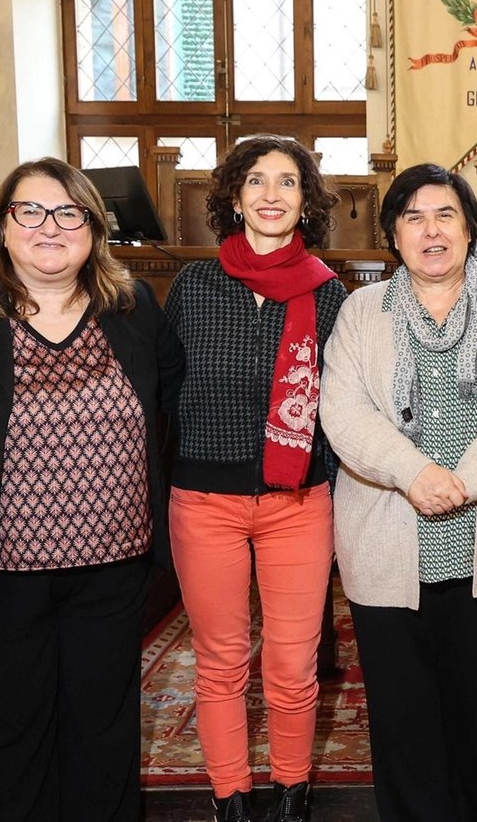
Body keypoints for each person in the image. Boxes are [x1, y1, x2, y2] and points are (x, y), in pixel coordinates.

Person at [0, 158, 181, 821]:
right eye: (30, 210)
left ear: (92, 228)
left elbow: (173, 401)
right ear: (3, 226)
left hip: (113, 573)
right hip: (3, 579)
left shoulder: (133, 308)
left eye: (68, 212)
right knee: (13, 741)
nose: (48, 226)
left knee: (104, 736)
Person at [319, 163, 477, 822]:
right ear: (393, 234)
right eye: (415, 217)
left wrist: (461, 482)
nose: (432, 230)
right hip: (387, 545)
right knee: (403, 723)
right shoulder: (361, 310)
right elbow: (342, 414)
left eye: (446, 215)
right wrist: (414, 473)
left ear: (470, 228)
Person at [163, 135, 348, 822]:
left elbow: (348, 406)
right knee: (219, 661)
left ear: (306, 203)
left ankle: (291, 795)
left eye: (288, 183)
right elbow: (159, 389)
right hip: (204, 501)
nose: (272, 195)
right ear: (234, 198)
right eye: (257, 182)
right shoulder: (193, 286)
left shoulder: (331, 295)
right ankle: (231, 799)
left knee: (293, 667)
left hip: (297, 501)